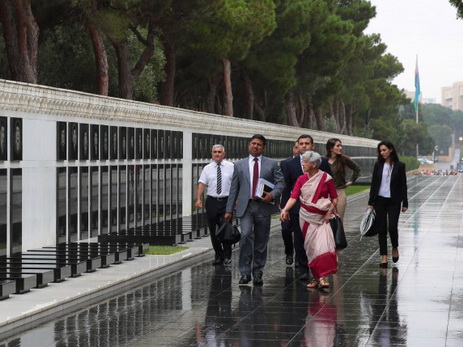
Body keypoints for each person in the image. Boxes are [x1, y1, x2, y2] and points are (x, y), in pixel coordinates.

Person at [225, 134, 285, 286]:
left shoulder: (272, 164)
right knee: (245, 236)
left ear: (263, 147)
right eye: (253, 143)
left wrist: (272, 195)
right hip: (246, 206)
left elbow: (281, 184)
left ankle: (258, 272)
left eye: (258, 144)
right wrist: (229, 210)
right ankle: (245, 273)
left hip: (263, 206)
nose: (255, 146)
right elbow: (234, 188)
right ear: (249, 145)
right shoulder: (239, 165)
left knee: (261, 240)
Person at [280, 151, 338, 289]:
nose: (302, 163)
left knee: (321, 247)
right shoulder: (301, 179)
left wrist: (329, 213)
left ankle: (323, 277)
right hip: (305, 217)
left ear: (314, 164)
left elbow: (334, 198)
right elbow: (294, 197)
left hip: (322, 218)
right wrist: (285, 209)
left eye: (305, 161)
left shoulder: (326, 178)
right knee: (311, 249)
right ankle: (316, 278)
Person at [367, 140, 408, 268]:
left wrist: (405, 202)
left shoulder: (400, 166)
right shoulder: (378, 165)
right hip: (379, 200)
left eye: (384, 150)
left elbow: (403, 185)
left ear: (391, 150)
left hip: (394, 201)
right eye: (380, 151)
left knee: (392, 227)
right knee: (382, 229)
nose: (382, 153)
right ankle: (383, 256)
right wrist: (370, 202)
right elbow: (374, 184)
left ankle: (395, 247)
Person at [196, 144, 234, 265]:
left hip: (226, 201)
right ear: (212, 154)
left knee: (226, 229)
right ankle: (218, 254)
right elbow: (202, 184)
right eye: (214, 152)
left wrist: (236, 200)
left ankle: (227, 255)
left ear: (224, 154)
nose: (217, 154)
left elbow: (235, 184)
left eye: (219, 152)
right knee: (213, 230)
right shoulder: (207, 168)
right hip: (212, 201)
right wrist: (198, 198)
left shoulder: (231, 167)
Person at [325, 138, 361, 221]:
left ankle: (340, 234)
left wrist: (351, 181)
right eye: (338, 146)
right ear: (331, 148)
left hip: (339, 193)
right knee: (326, 221)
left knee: (339, 220)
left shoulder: (343, 159)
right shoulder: (323, 160)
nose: (340, 147)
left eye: (341, 145)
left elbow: (357, 168)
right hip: (326, 194)